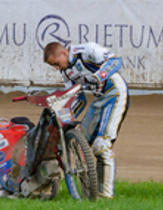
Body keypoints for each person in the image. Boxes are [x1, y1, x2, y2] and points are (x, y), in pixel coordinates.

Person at [43, 40, 128, 199]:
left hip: (115, 92)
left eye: (56, 63)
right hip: (99, 99)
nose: (56, 68)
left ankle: (105, 198)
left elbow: (116, 61)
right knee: (78, 140)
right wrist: (63, 117)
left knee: (101, 145)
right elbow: (79, 99)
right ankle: (89, 192)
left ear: (63, 53)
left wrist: (99, 76)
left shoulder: (86, 50)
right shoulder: (66, 72)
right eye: (53, 66)